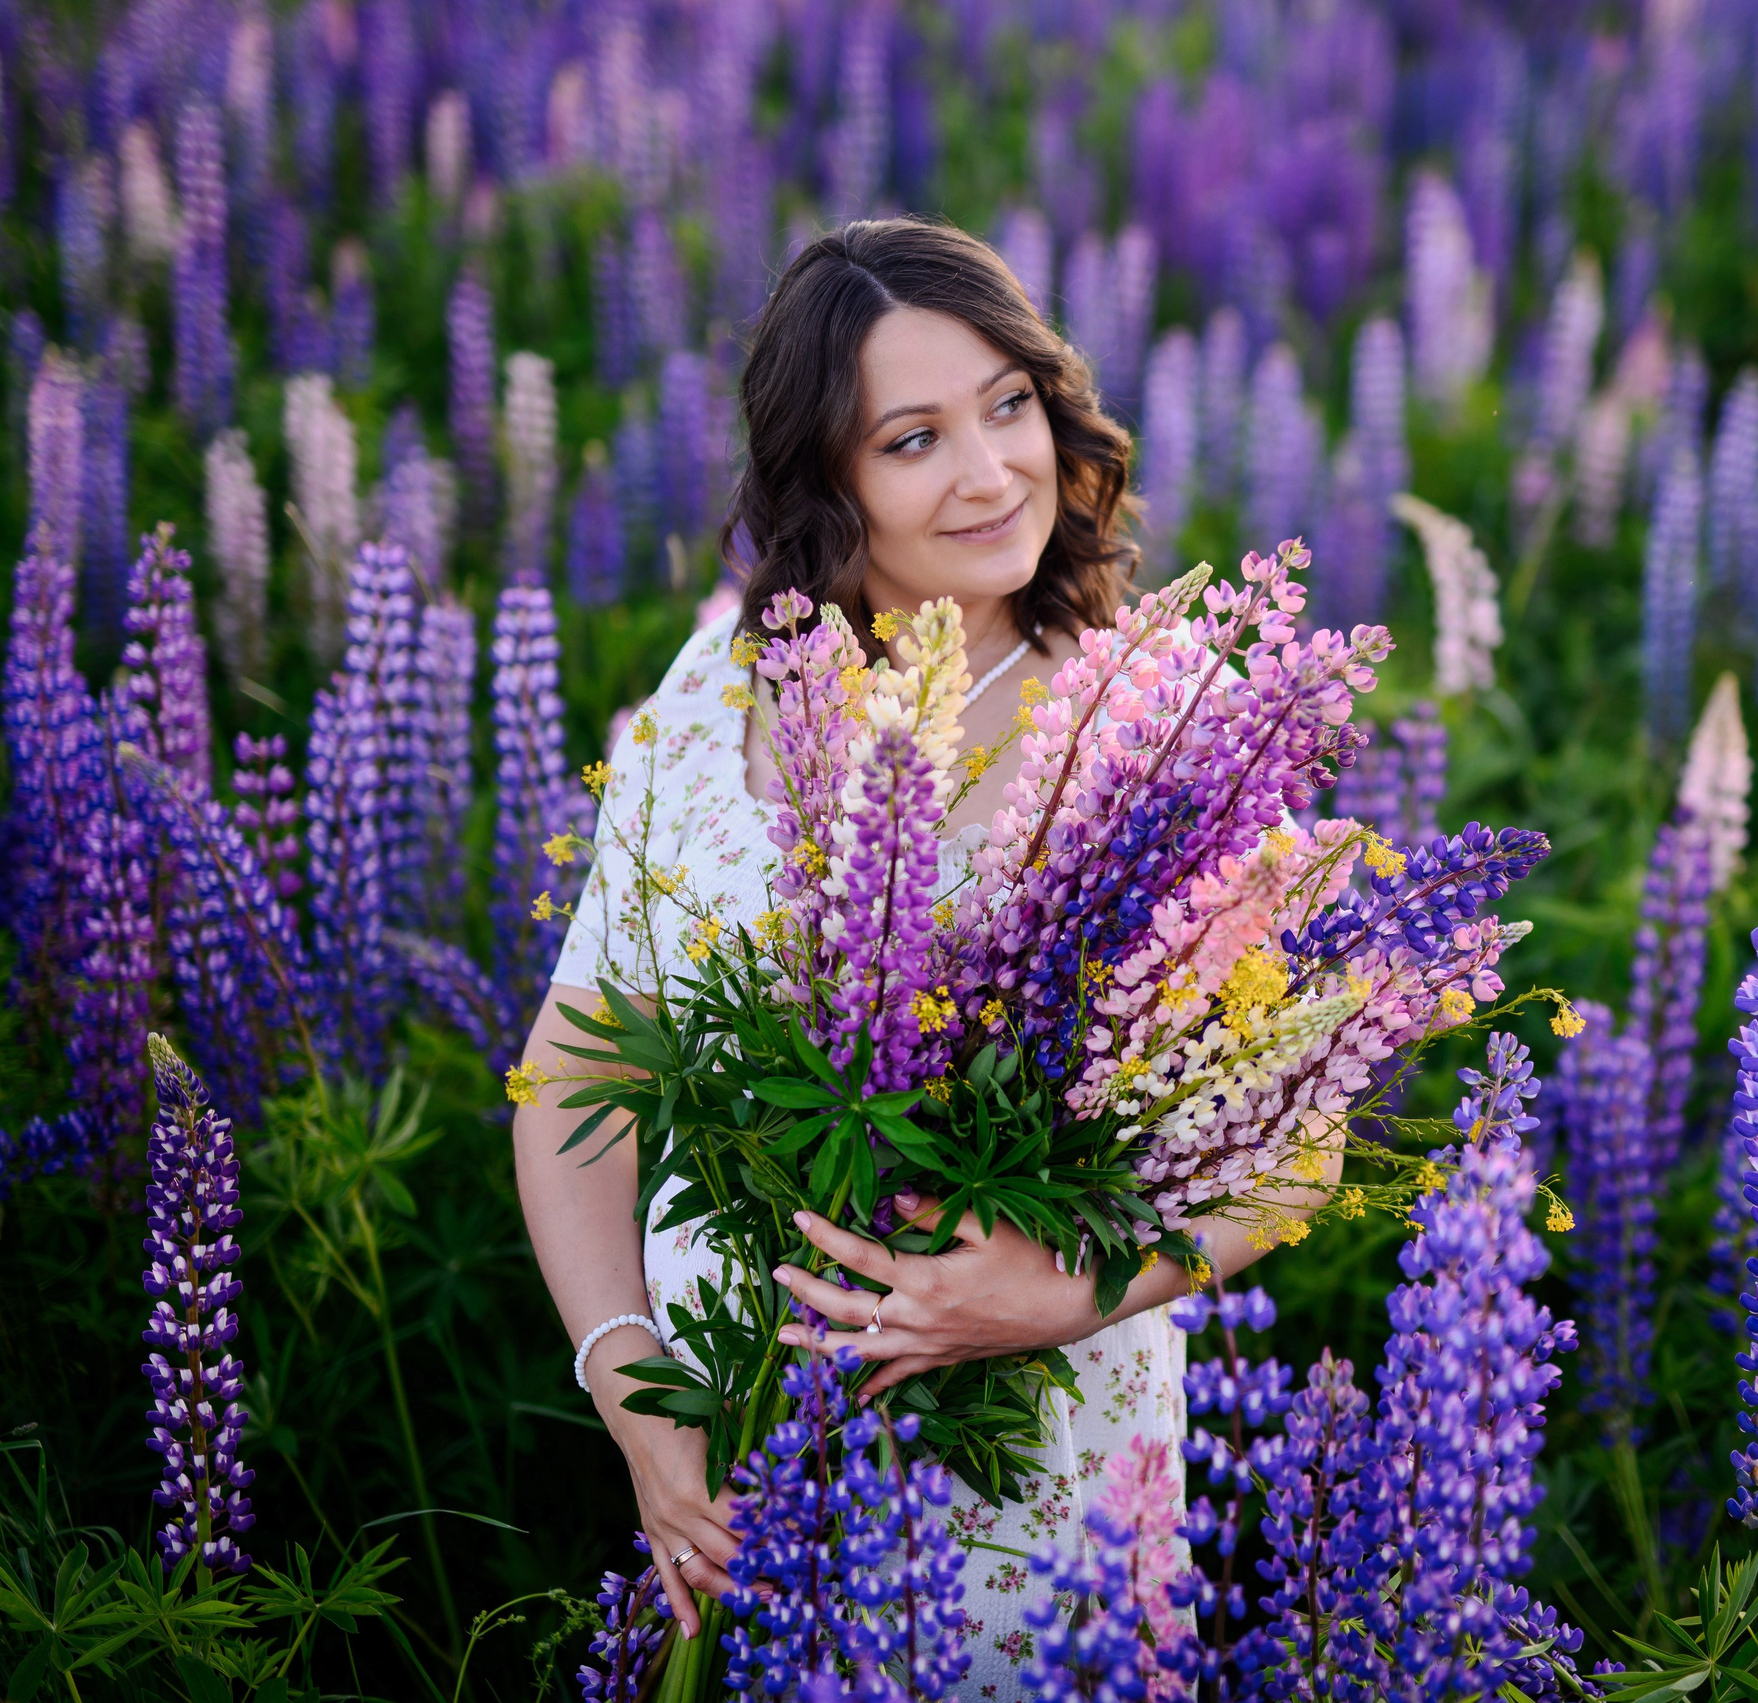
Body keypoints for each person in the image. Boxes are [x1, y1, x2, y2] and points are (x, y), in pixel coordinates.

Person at [511, 216, 1335, 1693]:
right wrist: (639, 1401)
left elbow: (1303, 1140)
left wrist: (1052, 1291)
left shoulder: (1163, 715)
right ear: (825, 480)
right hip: (744, 1454)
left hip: (1044, 1488)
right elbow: (573, 1082)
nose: (990, 468)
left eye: (1009, 404)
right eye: (913, 438)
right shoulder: (721, 689)